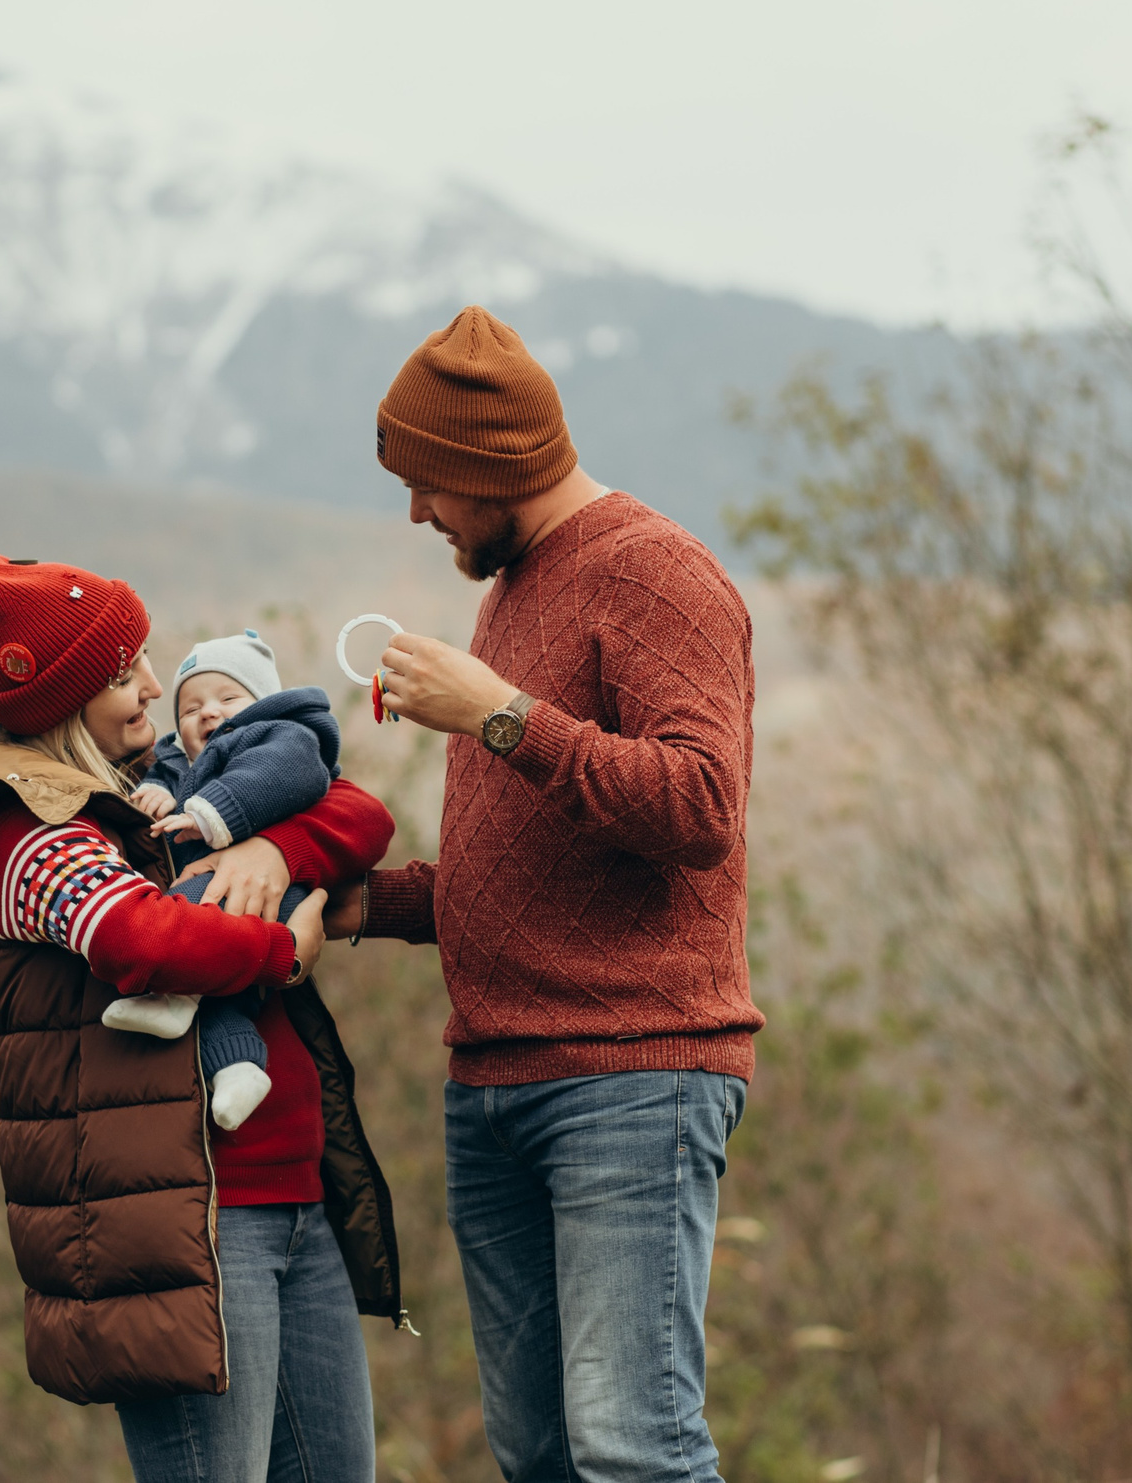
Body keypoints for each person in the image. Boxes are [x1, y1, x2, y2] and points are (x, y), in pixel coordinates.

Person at [336, 305, 764, 1483]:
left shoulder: (653, 572)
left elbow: (698, 806)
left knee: (635, 1450)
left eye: (428, 484)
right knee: (541, 1458)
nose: (417, 512)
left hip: (630, 1082)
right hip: (494, 1090)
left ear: (490, 467)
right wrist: (356, 906)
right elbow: (515, 872)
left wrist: (497, 714)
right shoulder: (513, 586)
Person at [0, 551, 404, 1483]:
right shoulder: (23, 838)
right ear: (70, 697)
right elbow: (143, 939)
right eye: (126, 673)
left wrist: (268, 847)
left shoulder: (153, 790)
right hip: (188, 1229)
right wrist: (282, 950)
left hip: (292, 1195)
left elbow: (358, 810)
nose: (156, 688)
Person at [116, 628, 346, 1130]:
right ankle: (240, 1069)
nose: (208, 712)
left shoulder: (282, 736)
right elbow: (164, 775)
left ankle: (176, 993)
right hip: (227, 913)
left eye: (228, 697)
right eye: (190, 706)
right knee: (216, 1001)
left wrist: (208, 815)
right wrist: (156, 789)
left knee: (182, 910)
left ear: (262, 702)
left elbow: (282, 774)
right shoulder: (177, 760)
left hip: (268, 897)